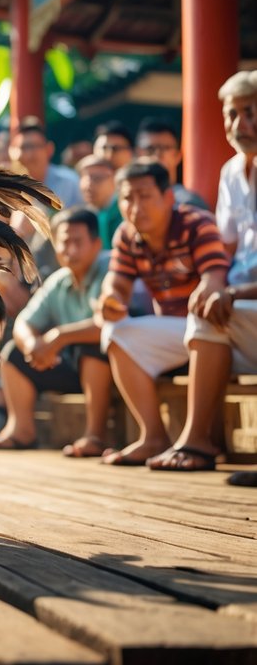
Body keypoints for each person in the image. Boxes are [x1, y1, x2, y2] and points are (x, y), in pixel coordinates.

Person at [148, 72, 257, 472]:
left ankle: (197, 442)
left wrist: (232, 294)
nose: (239, 124)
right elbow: (226, 248)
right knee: (207, 314)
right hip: (243, 305)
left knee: (210, 317)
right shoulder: (232, 172)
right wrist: (212, 284)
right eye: (232, 114)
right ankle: (201, 441)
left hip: (247, 301)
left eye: (250, 112)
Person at [96, 161, 229, 466]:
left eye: (144, 196)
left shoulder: (197, 223)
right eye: (128, 198)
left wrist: (207, 288)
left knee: (203, 318)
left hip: (214, 328)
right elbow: (115, 285)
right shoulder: (127, 236)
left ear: (169, 197)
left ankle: (198, 442)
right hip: (175, 332)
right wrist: (110, 300)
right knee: (115, 332)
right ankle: (153, 436)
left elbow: (215, 276)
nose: (135, 206)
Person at [0, 209, 112, 454]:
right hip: (69, 364)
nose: (70, 250)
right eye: (64, 242)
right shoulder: (58, 280)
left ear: (96, 245)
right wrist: (34, 345)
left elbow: (105, 325)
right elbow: (23, 323)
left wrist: (59, 337)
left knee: (93, 349)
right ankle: (21, 430)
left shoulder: (110, 268)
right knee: (14, 352)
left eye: (78, 242)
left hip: (113, 364)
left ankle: (95, 436)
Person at [136, 117, 210, 211]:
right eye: (150, 149)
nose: (157, 154)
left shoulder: (189, 204)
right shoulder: (125, 203)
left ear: (178, 156)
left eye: (165, 148)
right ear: (137, 154)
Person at [9, 118, 82, 208]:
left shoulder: (69, 181)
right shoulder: (8, 187)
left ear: (49, 149)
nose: (29, 154)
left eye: (34, 146)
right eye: (23, 147)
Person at [76, 154, 121, 246]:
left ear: (115, 179)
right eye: (83, 177)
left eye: (97, 178)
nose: (88, 185)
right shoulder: (83, 214)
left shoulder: (123, 213)